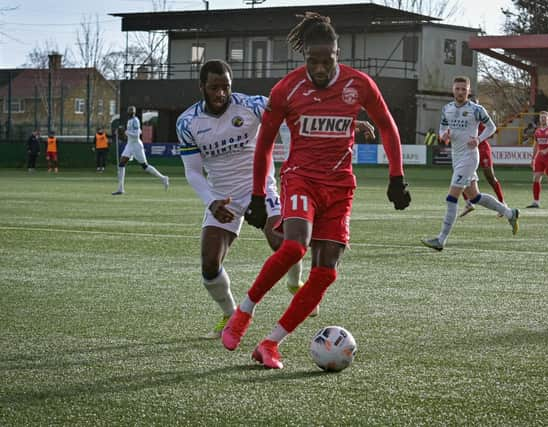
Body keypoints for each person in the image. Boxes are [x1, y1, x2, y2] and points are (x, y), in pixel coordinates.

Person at [221, 12, 411, 369]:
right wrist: (260, 196)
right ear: (304, 56)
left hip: (340, 187)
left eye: (328, 61)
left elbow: (387, 126)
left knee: (326, 272)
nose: (320, 69)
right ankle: (243, 313)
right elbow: (263, 144)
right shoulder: (286, 89)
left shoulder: (360, 85)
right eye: (313, 61)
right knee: (294, 246)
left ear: (338, 53)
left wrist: (397, 177)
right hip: (301, 179)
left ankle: (270, 344)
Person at [176, 59, 314, 340]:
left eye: (225, 87)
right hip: (222, 198)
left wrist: (291, 160)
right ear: (201, 87)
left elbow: (291, 117)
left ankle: (295, 282)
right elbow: (192, 171)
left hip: (260, 189)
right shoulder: (187, 122)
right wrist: (211, 201)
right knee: (209, 263)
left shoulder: (251, 106)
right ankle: (229, 313)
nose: (221, 94)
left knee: (285, 243)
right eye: (214, 88)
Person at [422, 76, 519, 252]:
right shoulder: (447, 109)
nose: (460, 92)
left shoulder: (476, 109)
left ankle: (441, 239)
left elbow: (492, 127)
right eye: (457, 89)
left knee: (451, 198)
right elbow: (443, 128)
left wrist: (479, 139)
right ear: (453, 89)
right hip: (456, 157)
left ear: (469, 91)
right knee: (475, 197)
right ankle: (510, 213)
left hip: (469, 157)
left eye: (463, 89)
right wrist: (444, 135)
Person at [459, 95, 507, 218]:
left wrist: (479, 138)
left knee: (490, 177)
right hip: (469, 150)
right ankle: (469, 203)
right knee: (460, 176)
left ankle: (502, 204)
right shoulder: (463, 116)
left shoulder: (482, 117)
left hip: (483, 149)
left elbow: (491, 130)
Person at [112, 105, 169, 195]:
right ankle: (120, 189)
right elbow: (128, 135)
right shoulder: (129, 121)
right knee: (121, 164)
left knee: (145, 166)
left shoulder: (135, 121)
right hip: (130, 145)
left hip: (136, 145)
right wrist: (120, 132)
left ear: (133, 112)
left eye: (131, 111)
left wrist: (125, 132)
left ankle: (163, 178)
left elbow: (136, 134)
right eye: (129, 111)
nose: (129, 113)